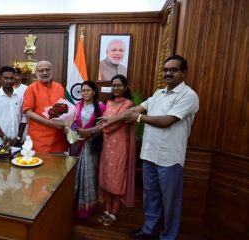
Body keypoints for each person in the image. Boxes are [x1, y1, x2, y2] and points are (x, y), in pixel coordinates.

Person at [124, 55, 199, 240]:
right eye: (165, 70)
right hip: (149, 154)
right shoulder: (159, 93)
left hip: (170, 158)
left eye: (173, 70)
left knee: (171, 201)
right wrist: (111, 119)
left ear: (183, 73)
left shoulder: (189, 95)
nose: (168, 73)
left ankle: (168, 236)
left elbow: (167, 121)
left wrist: (139, 118)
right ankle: (150, 230)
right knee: (151, 196)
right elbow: (136, 109)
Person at [96, 74, 136, 227]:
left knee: (117, 179)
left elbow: (114, 124)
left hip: (120, 147)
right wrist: (98, 128)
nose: (116, 88)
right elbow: (104, 122)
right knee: (106, 178)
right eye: (113, 85)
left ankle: (114, 211)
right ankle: (106, 209)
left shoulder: (128, 104)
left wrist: (97, 129)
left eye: (119, 85)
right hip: (107, 146)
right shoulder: (109, 102)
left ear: (125, 87)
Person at [73, 80, 106, 219]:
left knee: (89, 175)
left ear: (94, 91)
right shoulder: (77, 105)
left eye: (87, 90)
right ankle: (75, 205)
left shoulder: (101, 106)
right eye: (82, 90)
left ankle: (87, 207)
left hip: (92, 145)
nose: (84, 93)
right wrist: (76, 129)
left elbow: (104, 126)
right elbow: (72, 122)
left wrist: (90, 133)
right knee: (76, 175)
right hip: (78, 144)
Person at [23, 60, 68, 153]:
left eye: (47, 70)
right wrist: (50, 123)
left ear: (52, 71)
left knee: (59, 167)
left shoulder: (59, 87)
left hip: (59, 139)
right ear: (36, 72)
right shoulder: (31, 88)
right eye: (41, 70)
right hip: (39, 139)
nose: (44, 73)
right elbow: (28, 112)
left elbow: (66, 109)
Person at [0, 66, 26, 147]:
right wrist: (4, 138)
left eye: (12, 78)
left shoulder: (20, 96)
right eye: (6, 78)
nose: (9, 81)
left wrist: (19, 136)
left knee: (18, 160)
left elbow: (24, 117)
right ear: (0, 78)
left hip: (17, 141)